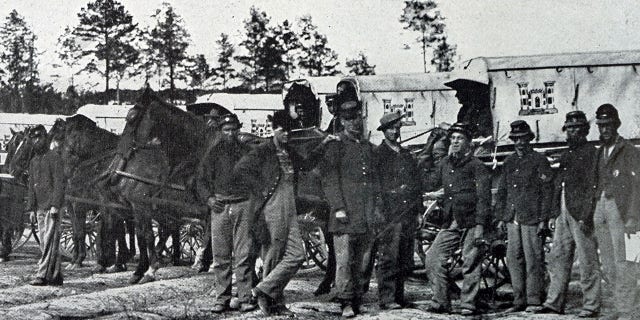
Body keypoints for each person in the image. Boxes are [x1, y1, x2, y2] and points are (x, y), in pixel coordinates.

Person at [235, 110, 333, 316]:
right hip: (272, 205)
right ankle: (273, 302)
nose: (287, 134)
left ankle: (264, 289)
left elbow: (306, 164)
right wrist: (260, 189)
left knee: (297, 254)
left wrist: (323, 145)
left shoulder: (289, 151)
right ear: (273, 130)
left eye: (289, 130)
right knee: (274, 253)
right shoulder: (263, 150)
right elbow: (240, 170)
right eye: (283, 130)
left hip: (290, 205)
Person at [319, 100, 383, 318]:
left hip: (365, 213)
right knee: (345, 261)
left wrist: (375, 208)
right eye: (349, 119)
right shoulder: (336, 145)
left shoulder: (366, 147)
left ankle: (357, 298)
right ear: (342, 122)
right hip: (345, 213)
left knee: (363, 260)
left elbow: (373, 181)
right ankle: (345, 301)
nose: (354, 123)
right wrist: (338, 207)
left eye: (357, 118)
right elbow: (329, 180)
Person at [422, 122, 491, 316]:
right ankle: (441, 302)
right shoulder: (445, 164)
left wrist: (479, 226)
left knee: (471, 263)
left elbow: (484, 199)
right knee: (433, 258)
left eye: (459, 138)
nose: (455, 142)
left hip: (471, 221)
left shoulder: (477, 167)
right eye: (452, 138)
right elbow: (430, 182)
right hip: (451, 220)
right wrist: (428, 149)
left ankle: (468, 303)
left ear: (469, 143)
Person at [536, 111, 601, 317]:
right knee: (559, 257)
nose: (573, 132)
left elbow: (593, 187)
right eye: (570, 128)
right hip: (563, 211)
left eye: (577, 128)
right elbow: (558, 185)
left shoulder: (592, 153)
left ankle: (591, 305)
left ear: (585, 131)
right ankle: (554, 302)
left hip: (580, 213)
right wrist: (554, 214)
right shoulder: (567, 154)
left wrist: (585, 215)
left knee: (587, 260)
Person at [196, 113, 257, 313]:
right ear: (221, 132)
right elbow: (201, 180)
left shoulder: (247, 153)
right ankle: (222, 298)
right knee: (220, 256)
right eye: (226, 130)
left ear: (238, 130)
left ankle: (245, 297)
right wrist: (209, 198)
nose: (230, 133)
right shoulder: (212, 154)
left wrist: (251, 200)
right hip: (220, 208)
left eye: (233, 129)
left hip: (242, 205)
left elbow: (258, 178)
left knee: (243, 255)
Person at [495, 120, 553, 313]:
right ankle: (519, 300)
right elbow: (502, 191)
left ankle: (534, 300)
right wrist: (502, 217)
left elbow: (547, 191)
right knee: (514, 258)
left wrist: (544, 218)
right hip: (513, 217)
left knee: (533, 258)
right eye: (516, 139)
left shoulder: (539, 160)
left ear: (529, 139)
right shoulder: (509, 162)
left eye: (523, 139)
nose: (520, 143)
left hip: (531, 217)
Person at [591, 104, 640, 320]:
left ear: (616, 125)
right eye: (601, 126)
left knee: (625, 262)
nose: (604, 130)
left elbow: (637, 186)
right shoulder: (600, 151)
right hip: (600, 208)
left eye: (608, 125)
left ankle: (627, 311)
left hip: (619, 210)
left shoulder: (629, 150)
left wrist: (632, 216)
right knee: (608, 263)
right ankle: (618, 306)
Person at [373, 112, 422, 309]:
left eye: (397, 128)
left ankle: (399, 296)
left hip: (407, 211)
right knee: (388, 256)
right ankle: (387, 298)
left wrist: (418, 211)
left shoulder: (405, 154)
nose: (395, 131)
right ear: (384, 131)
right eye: (390, 129)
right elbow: (375, 186)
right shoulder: (378, 155)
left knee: (404, 256)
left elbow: (416, 184)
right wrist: (378, 211)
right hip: (389, 213)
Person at [26, 125, 65, 286]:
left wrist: (56, 205)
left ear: (44, 138)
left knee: (49, 241)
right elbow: (31, 186)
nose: (36, 141)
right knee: (45, 242)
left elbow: (59, 183)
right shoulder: (34, 161)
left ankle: (42, 275)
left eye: (38, 138)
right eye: (33, 138)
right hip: (40, 207)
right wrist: (32, 208)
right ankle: (56, 275)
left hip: (51, 207)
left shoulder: (54, 157)